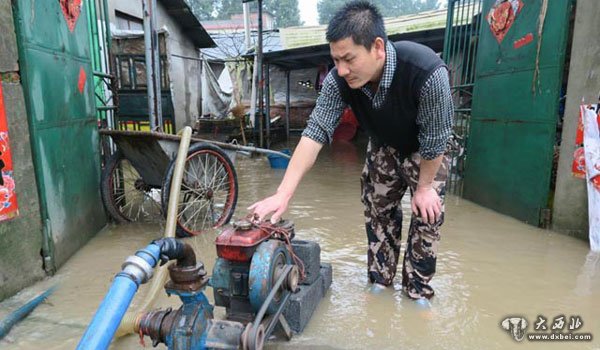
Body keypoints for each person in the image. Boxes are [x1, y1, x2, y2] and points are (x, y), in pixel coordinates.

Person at [249, 0, 454, 301]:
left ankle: (418, 292)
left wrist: (424, 188)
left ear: (378, 48)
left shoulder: (426, 73)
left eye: (349, 59)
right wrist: (284, 193)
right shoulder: (339, 81)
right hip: (384, 146)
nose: (341, 70)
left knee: (427, 216)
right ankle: (380, 284)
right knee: (378, 212)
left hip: (426, 151)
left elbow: (436, 140)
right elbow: (314, 133)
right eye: (335, 60)